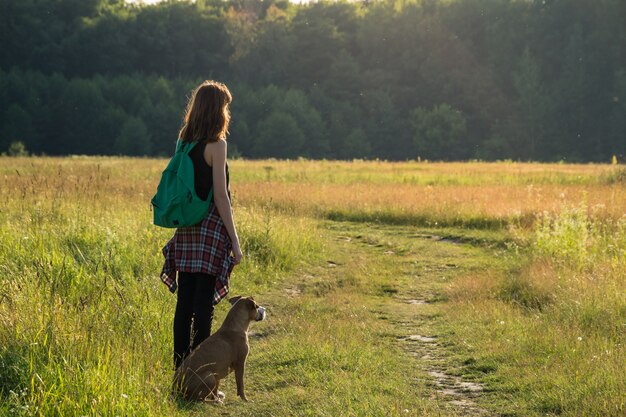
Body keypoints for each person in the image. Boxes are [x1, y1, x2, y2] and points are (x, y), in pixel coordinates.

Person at [159, 80, 243, 369]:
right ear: (218, 110)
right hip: (209, 230)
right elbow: (220, 195)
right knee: (203, 307)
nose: (227, 113)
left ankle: (180, 371)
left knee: (184, 306)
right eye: (226, 107)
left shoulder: (184, 140)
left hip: (186, 228)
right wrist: (234, 239)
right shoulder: (217, 145)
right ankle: (200, 371)